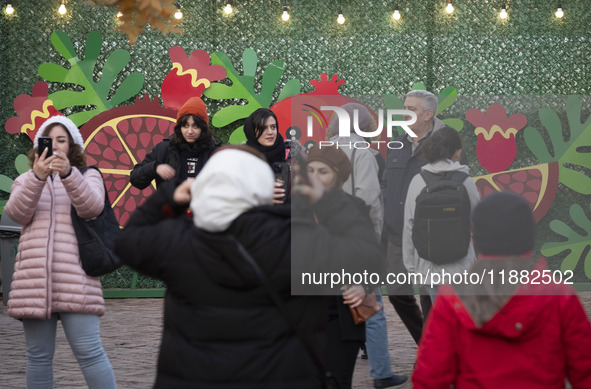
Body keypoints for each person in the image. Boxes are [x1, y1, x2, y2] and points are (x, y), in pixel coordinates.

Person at [115, 145, 382, 388]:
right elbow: (367, 255)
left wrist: (169, 197)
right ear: (262, 185)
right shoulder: (292, 239)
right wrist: (326, 201)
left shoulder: (180, 240)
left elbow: (127, 242)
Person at [412, 191, 591, 388]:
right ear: (529, 236)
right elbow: (585, 372)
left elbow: (429, 379)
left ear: (476, 239)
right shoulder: (560, 296)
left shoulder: (453, 297)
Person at [3, 115, 116, 389]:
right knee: (38, 358)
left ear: (72, 146)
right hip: (34, 284)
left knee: (90, 353)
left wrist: (68, 175)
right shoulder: (24, 180)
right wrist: (38, 178)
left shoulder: (88, 176)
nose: (55, 146)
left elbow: (92, 208)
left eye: (62, 140)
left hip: (77, 281)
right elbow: (17, 213)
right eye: (49, 140)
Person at [306, 144, 407, 389]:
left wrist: (363, 284)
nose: (315, 177)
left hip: (343, 315)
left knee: (337, 381)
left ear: (339, 175)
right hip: (306, 313)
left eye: (323, 171)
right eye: (310, 170)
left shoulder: (355, 209)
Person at [325, 105, 403, 389]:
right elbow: (369, 200)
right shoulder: (364, 154)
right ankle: (381, 371)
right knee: (372, 308)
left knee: (333, 308)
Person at [383, 90, 467, 344]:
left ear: (428, 114)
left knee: (430, 296)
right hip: (398, 233)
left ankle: (435, 355)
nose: (404, 113)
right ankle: (427, 343)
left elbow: (460, 184)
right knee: (397, 293)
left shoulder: (448, 144)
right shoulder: (396, 144)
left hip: (432, 234)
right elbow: (387, 182)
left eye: (412, 108)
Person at [402, 126, 479, 301]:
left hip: (429, 267)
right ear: (457, 153)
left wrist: (412, 269)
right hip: (462, 266)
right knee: (464, 318)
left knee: (442, 317)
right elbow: (478, 221)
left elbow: (409, 225)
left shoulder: (418, 180)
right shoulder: (465, 181)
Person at [130, 96, 217, 189]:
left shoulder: (215, 153)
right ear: (180, 127)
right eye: (185, 126)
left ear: (203, 128)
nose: (190, 131)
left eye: (195, 126)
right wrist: (154, 168)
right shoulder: (164, 149)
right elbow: (135, 180)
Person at [243, 107, 289, 204]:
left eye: (273, 127)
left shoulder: (293, 159)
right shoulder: (241, 161)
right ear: (251, 131)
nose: (270, 132)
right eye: (263, 128)